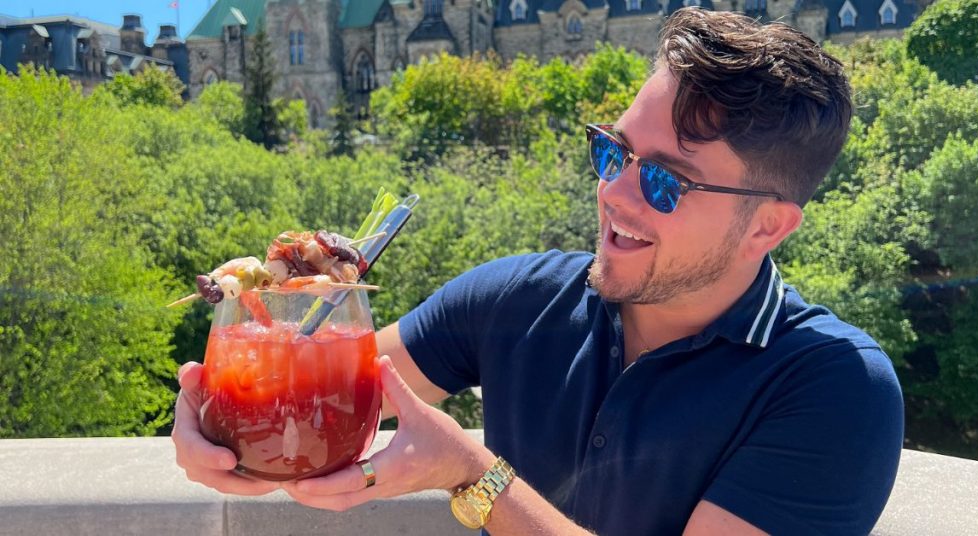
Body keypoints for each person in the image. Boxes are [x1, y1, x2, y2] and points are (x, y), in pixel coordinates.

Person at [172, 8, 903, 535]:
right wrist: (215, 418)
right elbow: (323, 384)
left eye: (665, 183)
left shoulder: (835, 387)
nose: (613, 192)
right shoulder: (518, 299)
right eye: (614, 153)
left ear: (769, 225)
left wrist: (474, 476)